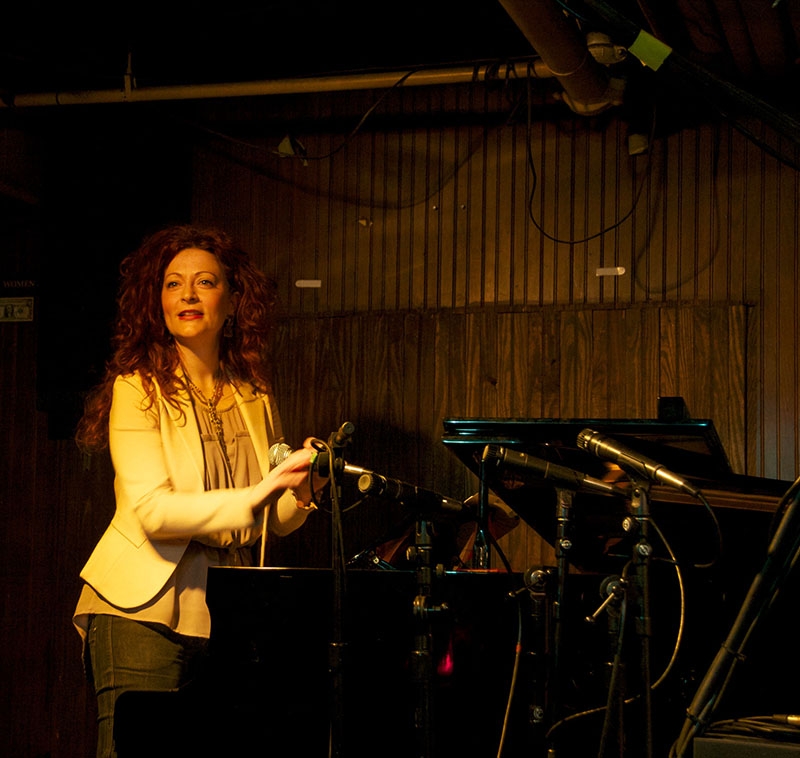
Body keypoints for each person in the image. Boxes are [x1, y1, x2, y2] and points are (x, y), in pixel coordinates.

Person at [73, 224, 327, 758]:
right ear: (158, 303)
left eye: (205, 282)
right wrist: (259, 494)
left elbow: (268, 520)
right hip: (139, 607)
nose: (187, 294)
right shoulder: (136, 387)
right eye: (173, 284)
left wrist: (305, 489)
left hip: (228, 610)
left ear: (232, 302)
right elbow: (153, 512)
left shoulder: (254, 393)